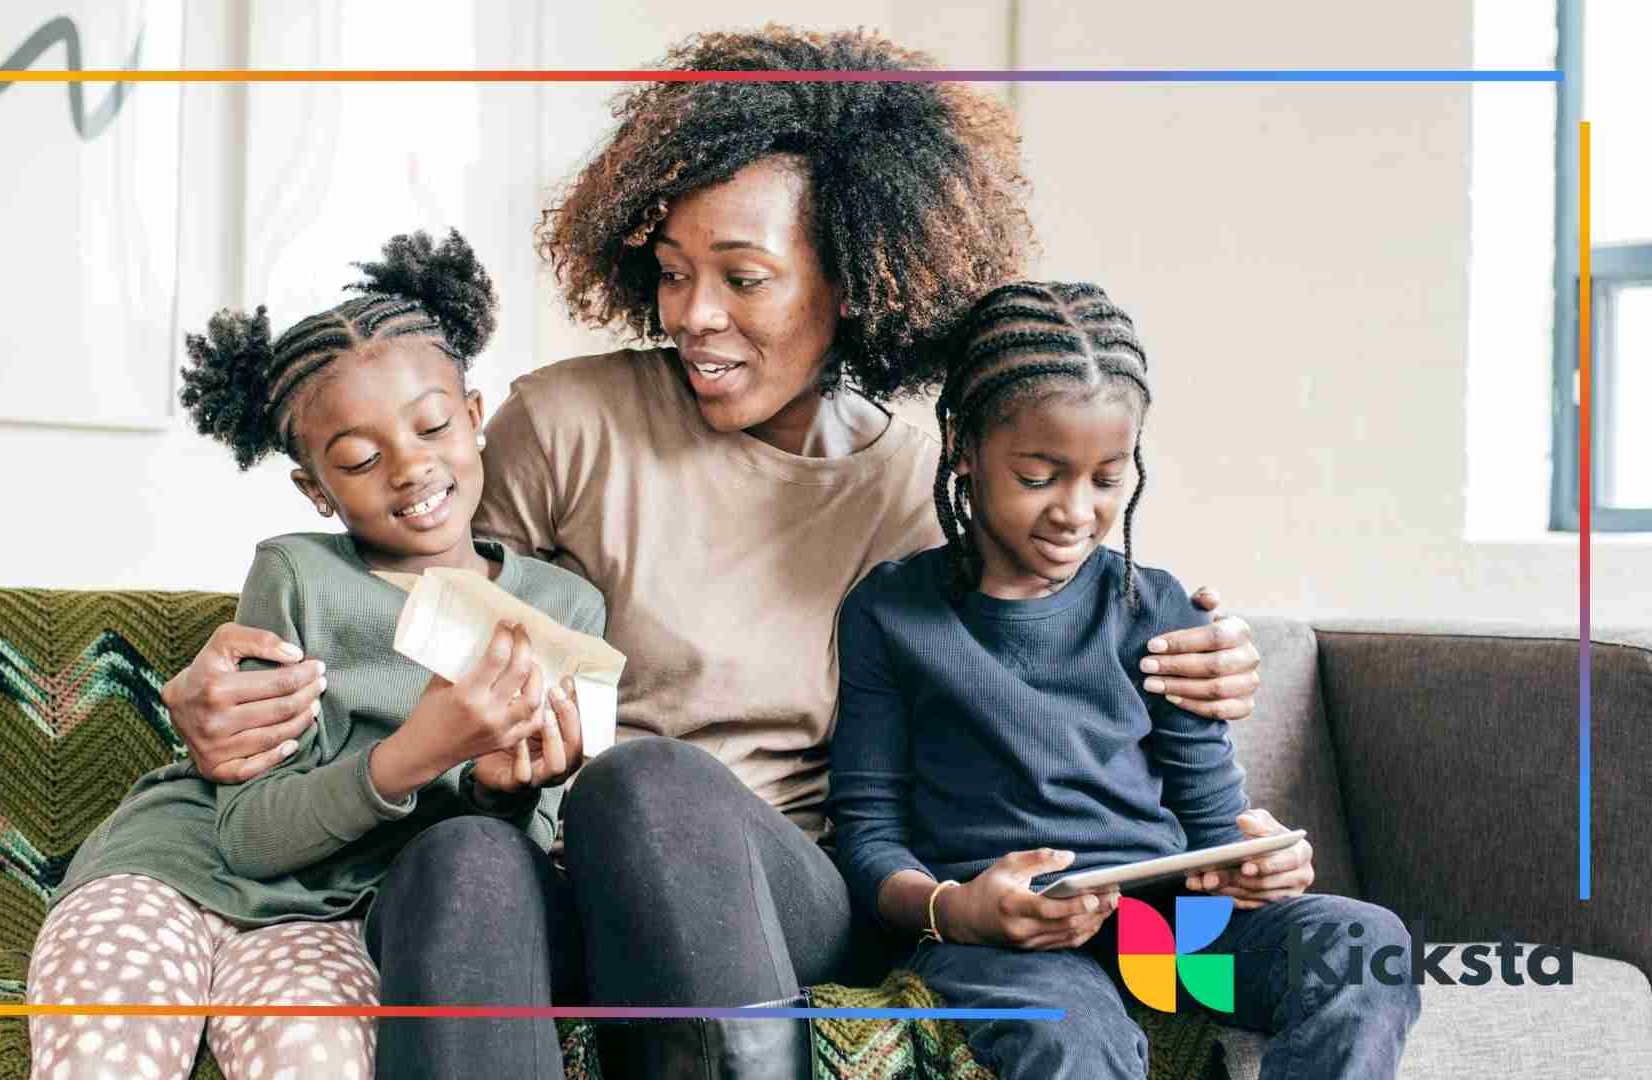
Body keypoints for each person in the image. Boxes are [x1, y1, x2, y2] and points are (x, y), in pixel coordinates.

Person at [161, 27, 1265, 1080]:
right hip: (541, 878)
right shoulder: (565, 426)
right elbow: (382, 582)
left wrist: (1202, 669)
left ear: (851, 278)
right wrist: (222, 696)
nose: (693, 314)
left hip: (776, 895)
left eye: (743, 278)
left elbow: (1059, 636)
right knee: (458, 857)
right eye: (674, 270)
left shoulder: (923, 487)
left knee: (644, 784)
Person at [27, 231, 603, 1080]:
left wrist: (498, 790)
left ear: (475, 420)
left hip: (332, 919)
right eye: (361, 460)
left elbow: (491, 872)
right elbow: (248, 839)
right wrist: (417, 751)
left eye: (434, 425)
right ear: (316, 490)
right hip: (175, 873)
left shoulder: (563, 609)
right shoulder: (297, 573)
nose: (410, 468)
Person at [829, 282, 1420, 1079]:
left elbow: (1214, 826)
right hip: (1007, 944)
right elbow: (868, 835)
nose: (1077, 511)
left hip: (1169, 942)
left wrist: (1259, 863)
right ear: (963, 445)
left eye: (1107, 479)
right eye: (1040, 476)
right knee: (1065, 1027)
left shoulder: (1157, 608)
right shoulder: (891, 613)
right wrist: (957, 910)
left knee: (1365, 942)